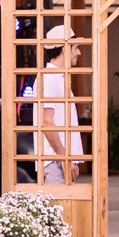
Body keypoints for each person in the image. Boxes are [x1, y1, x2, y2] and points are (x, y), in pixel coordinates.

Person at [32, 25, 83, 184]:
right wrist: (64, 158)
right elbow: (47, 121)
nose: (79, 52)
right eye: (76, 48)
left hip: (60, 160)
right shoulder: (48, 78)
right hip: (55, 161)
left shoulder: (58, 78)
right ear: (64, 49)